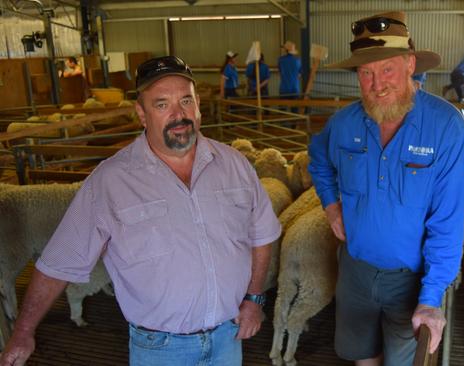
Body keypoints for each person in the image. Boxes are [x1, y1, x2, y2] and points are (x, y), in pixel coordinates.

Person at [0, 55, 281, 366]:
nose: (179, 114)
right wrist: (23, 331)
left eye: (186, 100)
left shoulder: (235, 164)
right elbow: (58, 263)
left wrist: (254, 298)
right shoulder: (111, 181)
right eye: (162, 104)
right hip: (161, 350)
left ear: (198, 104)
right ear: (142, 114)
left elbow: (262, 233)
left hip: (227, 339)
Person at [308, 11, 464, 366]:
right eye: (365, 73)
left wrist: (430, 298)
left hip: (410, 280)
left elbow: (447, 221)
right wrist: (331, 205)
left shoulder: (445, 127)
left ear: (410, 64)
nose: (376, 83)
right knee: (362, 356)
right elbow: (317, 159)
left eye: (387, 70)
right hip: (355, 271)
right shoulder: (343, 123)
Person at [278, 41, 301, 112]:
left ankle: (282, 122)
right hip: (294, 88)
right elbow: (299, 75)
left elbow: (280, 71)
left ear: (285, 50)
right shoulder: (298, 60)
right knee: (294, 111)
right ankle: (294, 122)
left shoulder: (280, 60)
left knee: (282, 111)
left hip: (284, 89)